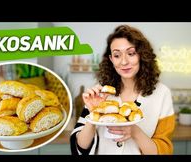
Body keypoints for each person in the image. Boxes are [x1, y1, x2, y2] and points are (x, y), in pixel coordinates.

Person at [70, 25, 175, 155]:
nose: (124, 62)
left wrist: (135, 132)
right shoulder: (101, 92)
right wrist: (92, 115)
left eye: (131, 53)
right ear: (111, 59)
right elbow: (79, 147)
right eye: (117, 55)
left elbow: (163, 151)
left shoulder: (162, 93)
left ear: (142, 55)